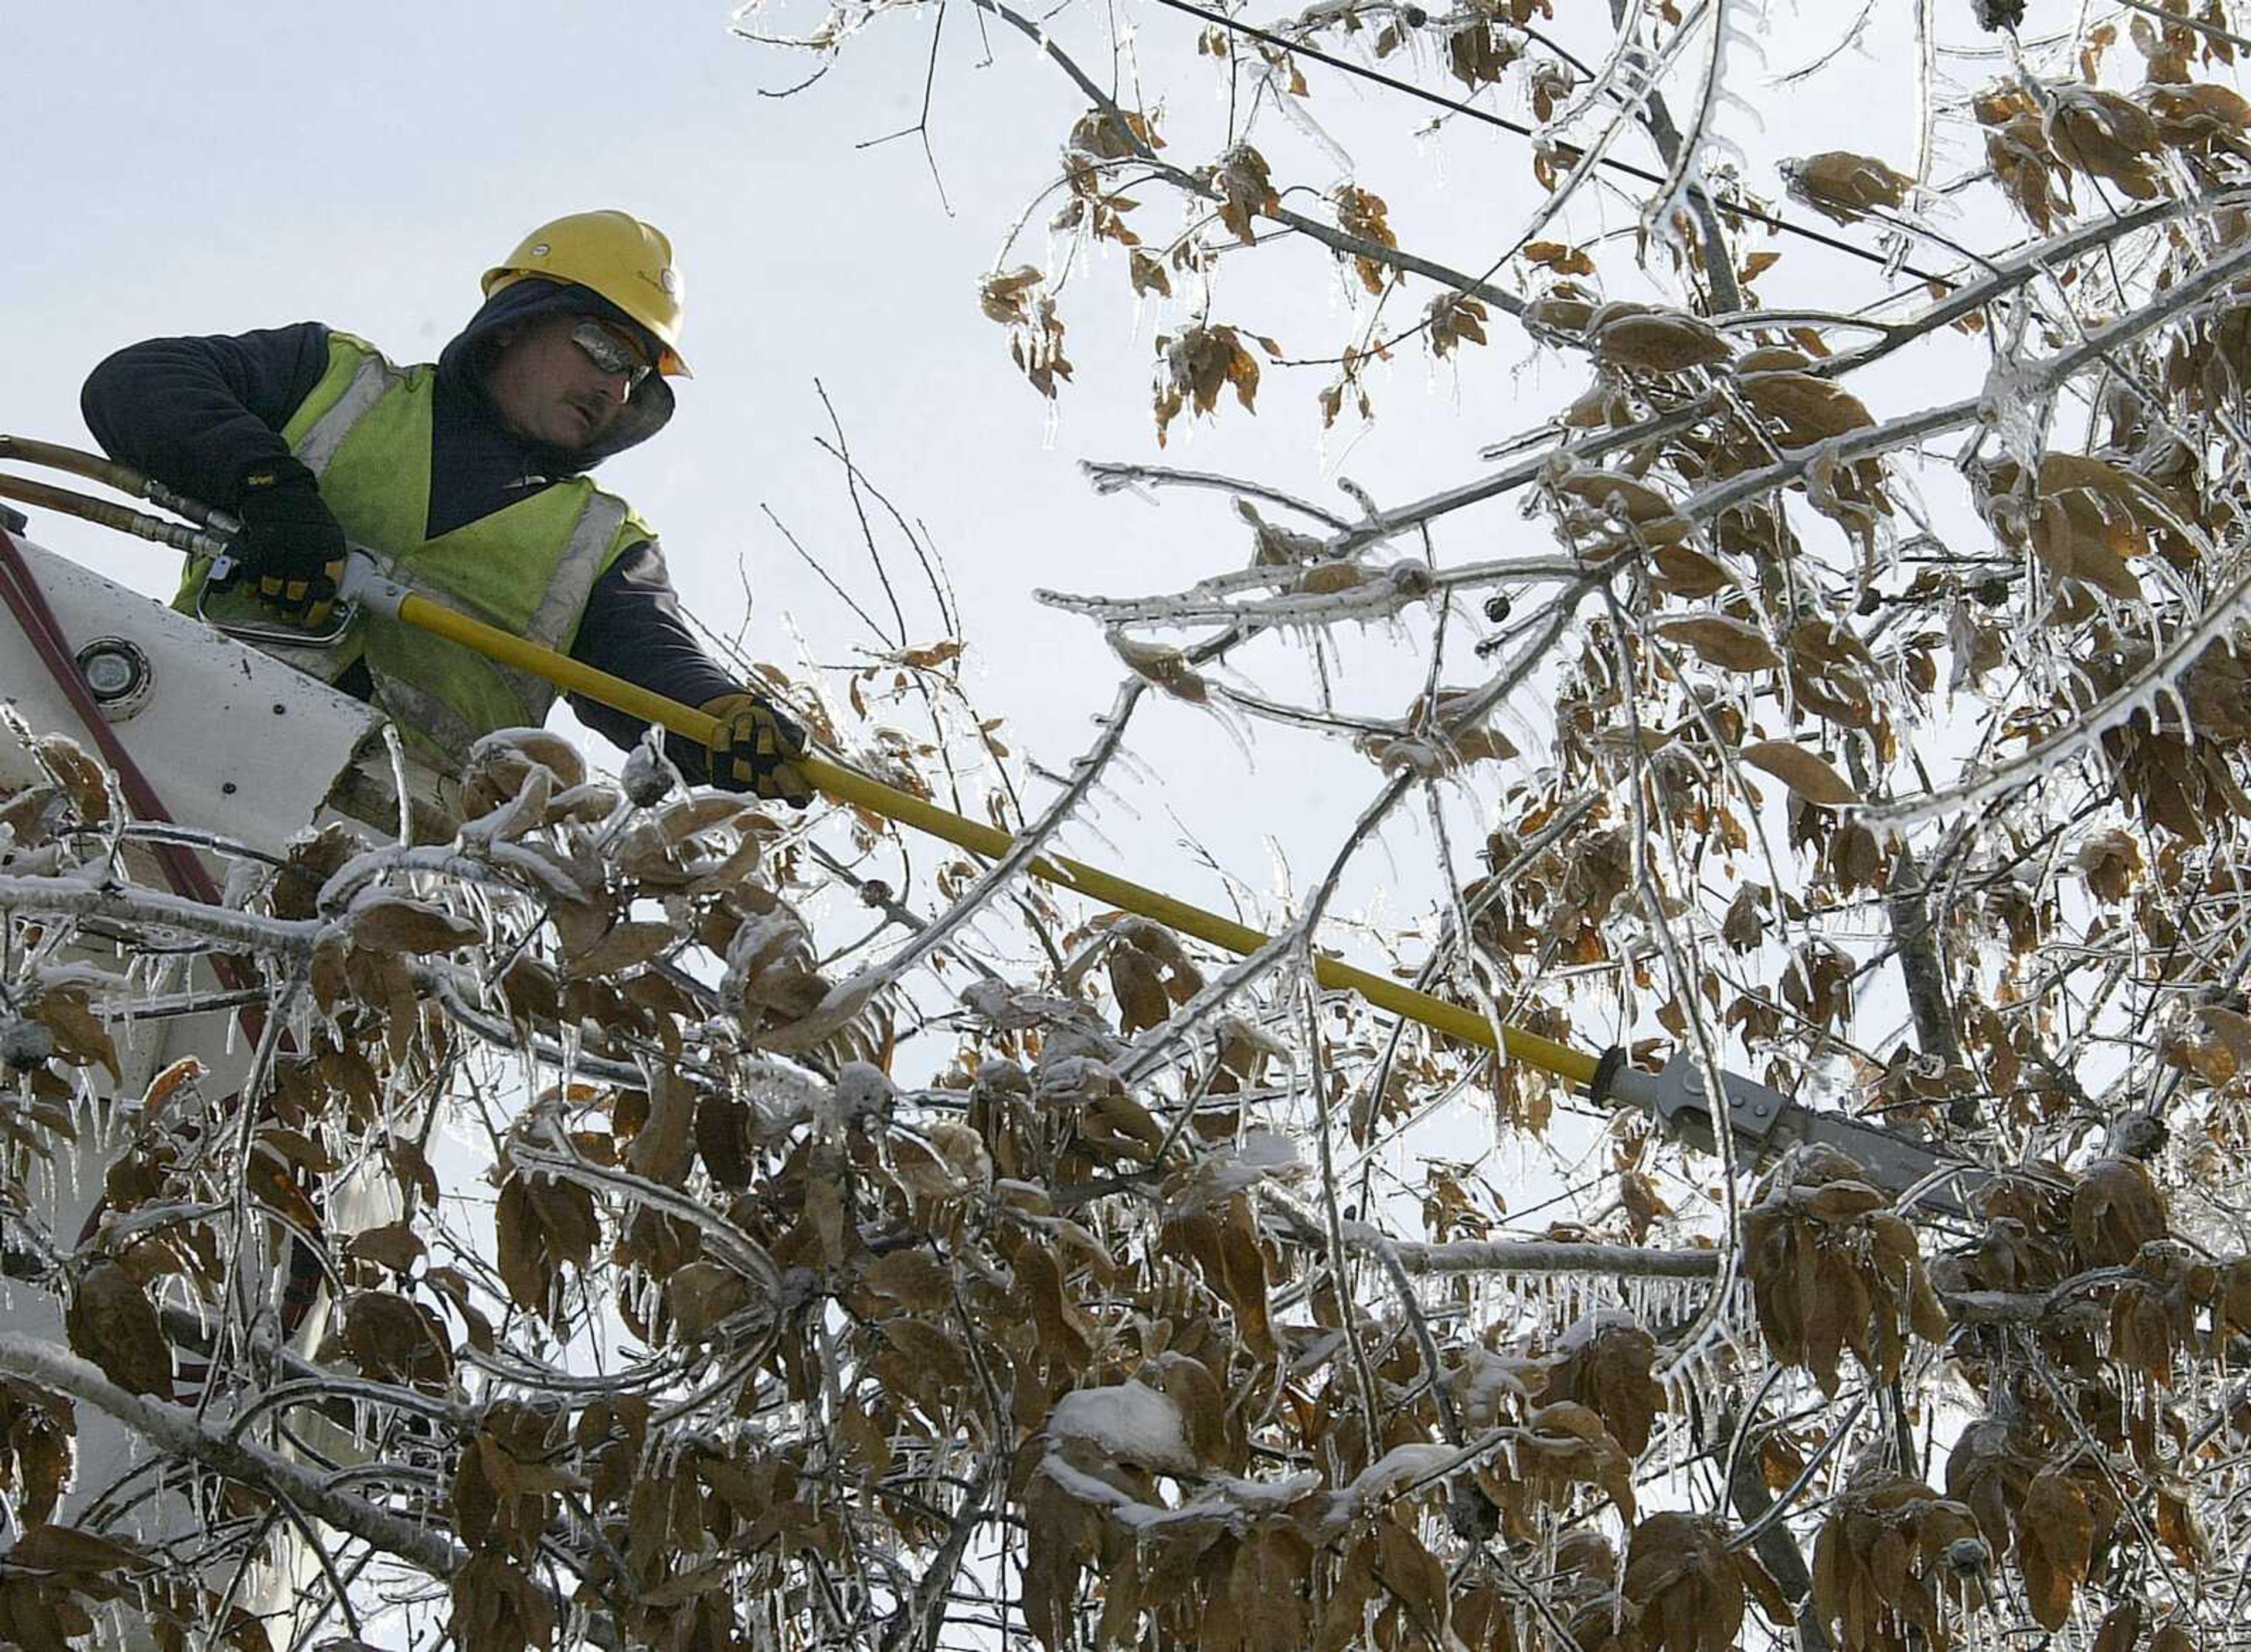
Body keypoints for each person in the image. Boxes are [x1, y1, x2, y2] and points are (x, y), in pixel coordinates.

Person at [79, 209, 814, 807]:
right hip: (174, 741)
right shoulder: (331, 379)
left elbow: (650, 662)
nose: (615, 390)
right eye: (602, 348)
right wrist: (272, 493)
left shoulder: (599, 542)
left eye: (637, 377)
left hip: (397, 853)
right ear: (520, 318)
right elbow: (141, 382)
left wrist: (719, 717)